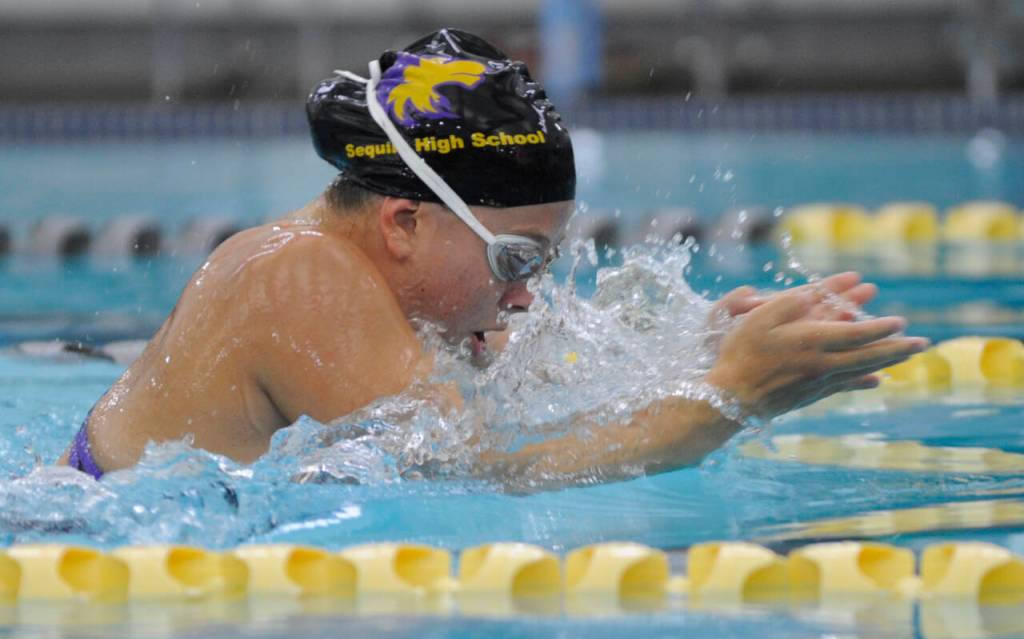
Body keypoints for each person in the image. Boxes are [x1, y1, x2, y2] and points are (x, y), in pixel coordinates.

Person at [59, 28, 928, 484]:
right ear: (403, 223)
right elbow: (484, 474)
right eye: (516, 259)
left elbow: (533, 406)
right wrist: (730, 400)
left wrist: (699, 350)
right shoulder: (297, 275)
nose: (524, 299)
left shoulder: (402, 295)